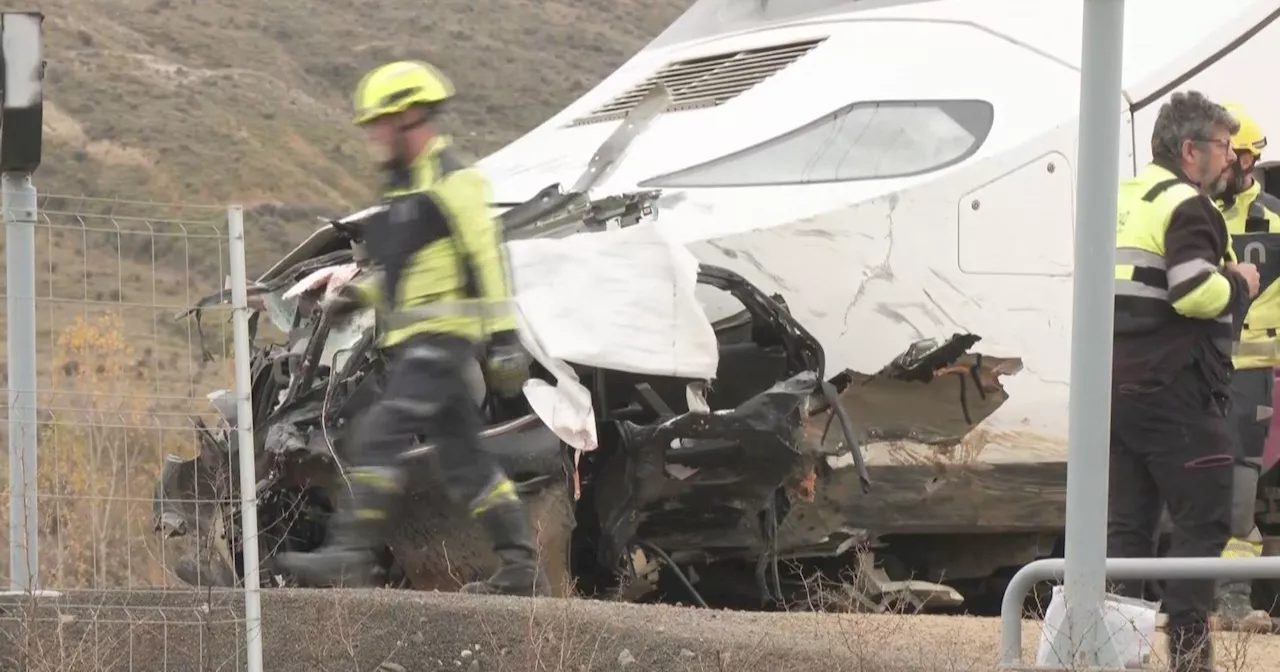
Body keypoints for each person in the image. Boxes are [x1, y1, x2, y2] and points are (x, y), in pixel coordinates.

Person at [276, 60, 551, 597]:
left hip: (442, 341)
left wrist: (502, 337)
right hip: (413, 345)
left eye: (381, 124)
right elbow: (406, 275)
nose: (374, 136)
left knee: (378, 434)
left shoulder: (455, 181)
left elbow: (486, 259)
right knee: (466, 463)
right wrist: (358, 293)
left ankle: (347, 555)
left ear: (412, 118)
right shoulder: (405, 195)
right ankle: (522, 569)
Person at [1107, 90, 1260, 672]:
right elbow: (1194, 291)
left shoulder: (1123, 197)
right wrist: (1240, 281)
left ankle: (1115, 659)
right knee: (1204, 525)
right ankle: (1191, 662)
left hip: (1117, 394)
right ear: (1191, 150)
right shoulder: (1189, 208)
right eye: (1223, 146)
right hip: (1177, 396)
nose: (1229, 160)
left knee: (1129, 535)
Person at [1214, 101, 1280, 632]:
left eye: (1227, 155)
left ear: (1246, 161)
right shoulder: (1193, 218)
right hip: (1194, 371)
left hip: (1251, 376)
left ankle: (1233, 598)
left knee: (1239, 494)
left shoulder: (1276, 222)